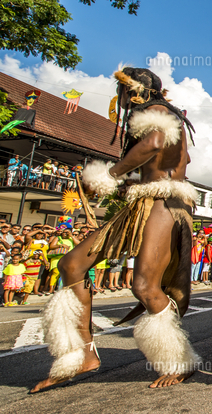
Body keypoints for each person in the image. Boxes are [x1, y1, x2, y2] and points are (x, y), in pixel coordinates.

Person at [31, 66, 200, 393]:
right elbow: (171, 156)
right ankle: (83, 354)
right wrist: (132, 183)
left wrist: (111, 175)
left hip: (166, 202)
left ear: (134, 90)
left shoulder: (158, 111)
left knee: (144, 286)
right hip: (144, 200)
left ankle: (179, 361)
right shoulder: (160, 115)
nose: (118, 96)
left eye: (121, 90)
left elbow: (153, 143)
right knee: (72, 264)